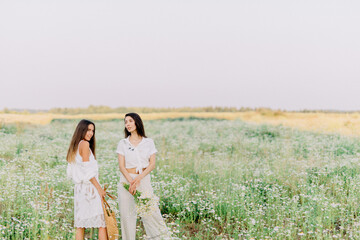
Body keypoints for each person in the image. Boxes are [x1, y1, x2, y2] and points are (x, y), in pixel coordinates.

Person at [117, 113, 171, 240]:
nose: (128, 124)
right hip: (126, 180)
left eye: (130, 121)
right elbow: (121, 166)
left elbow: (152, 164)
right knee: (127, 215)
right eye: (125, 122)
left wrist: (138, 179)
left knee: (151, 212)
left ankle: (161, 237)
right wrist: (131, 182)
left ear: (137, 122)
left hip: (143, 179)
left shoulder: (148, 142)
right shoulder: (123, 143)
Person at [66, 119, 108, 240]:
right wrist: (100, 189)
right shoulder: (84, 144)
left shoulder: (75, 146)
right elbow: (88, 171)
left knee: (80, 224)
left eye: (93, 131)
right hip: (89, 189)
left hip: (80, 189)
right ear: (81, 130)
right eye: (88, 130)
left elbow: (71, 172)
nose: (91, 133)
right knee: (101, 223)